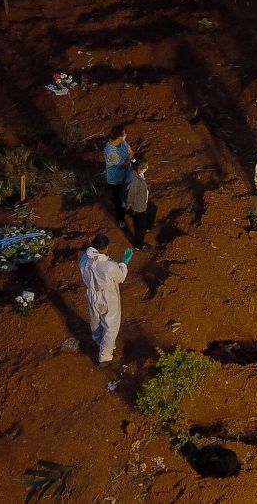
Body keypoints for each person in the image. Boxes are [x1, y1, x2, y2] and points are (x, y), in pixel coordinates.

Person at [79, 233, 132, 365]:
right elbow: (120, 278)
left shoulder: (84, 259)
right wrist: (124, 263)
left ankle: (98, 339)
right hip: (107, 296)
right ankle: (105, 356)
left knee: (95, 318)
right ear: (106, 248)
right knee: (111, 326)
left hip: (91, 294)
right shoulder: (109, 265)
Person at [103, 126, 132, 229]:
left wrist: (128, 159)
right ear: (119, 137)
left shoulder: (121, 143)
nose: (126, 135)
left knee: (127, 194)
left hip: (125, 174)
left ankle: (126, 210)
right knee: (118, 200)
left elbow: (130, 152)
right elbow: (123, 164)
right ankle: (121, 219)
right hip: (116, 180)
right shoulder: (110, 151)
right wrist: (129, 160)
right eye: (124, 134)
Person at [122, 158, 154, 250]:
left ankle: (147, 227)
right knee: (139, 227)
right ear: (142, 169)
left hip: (141, 201)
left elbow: (132, 161)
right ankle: (139, 245)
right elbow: (130, 194)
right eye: (146, 166)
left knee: (152, 210)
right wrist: (128, 205)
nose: (147, 167)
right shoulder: (136, 181)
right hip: (138, 206)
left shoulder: (132, 169)